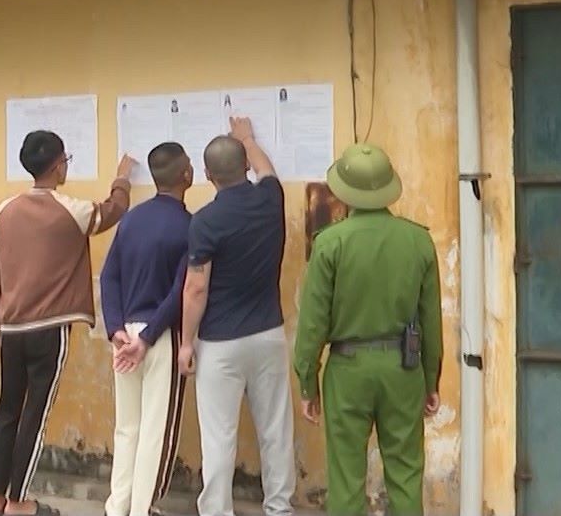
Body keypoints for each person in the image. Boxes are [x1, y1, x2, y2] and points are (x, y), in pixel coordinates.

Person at [0, 130, 135, 516]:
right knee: (36, 412)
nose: (67, 164)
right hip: (50, 330)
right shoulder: (72, 209)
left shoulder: (5, 210)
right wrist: (122, 179)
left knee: (8, 410)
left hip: (12, 329)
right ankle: (18, 502)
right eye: (66, 159)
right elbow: (112, 212)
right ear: (56, 166)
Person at [292, 143, 442, 516]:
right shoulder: (418, 240)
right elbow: (431, 322)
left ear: (343, 191)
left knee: (346, 479)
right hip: (403, 370)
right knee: (406, 475)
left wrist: (308, 382)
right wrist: (431, 380)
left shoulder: (329, 244)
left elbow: (312, 324)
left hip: (347, 370)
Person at [177, 118, 296, 516]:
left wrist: (186, 343)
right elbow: (267, 170)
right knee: (275, 430)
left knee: (219, 437)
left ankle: (216, 511)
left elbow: (196, 289)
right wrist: (247, 137)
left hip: (220, 343)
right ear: (244, 164)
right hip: (268, 334)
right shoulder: (270, 198)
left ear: (207, 175)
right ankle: (279, 508)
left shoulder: (205, 221)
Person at [100, 142, 193, 516]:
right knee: (158, 429)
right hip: (159, 338)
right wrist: (149, 337)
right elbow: (181, 291)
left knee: (128, 428)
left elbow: (109, 277)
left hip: (126, 335)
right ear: (186, 175)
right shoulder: (190, 226)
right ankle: (141, 509)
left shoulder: (132, 219)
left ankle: (117, 507)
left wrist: (116, 329)